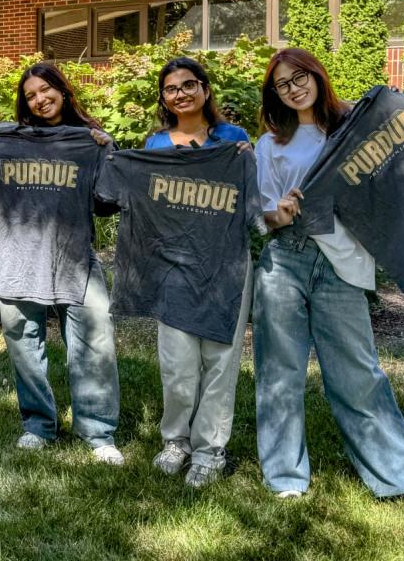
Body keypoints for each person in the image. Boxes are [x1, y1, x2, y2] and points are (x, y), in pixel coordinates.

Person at [251, 47, 404, 512]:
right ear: (274, 93)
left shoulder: (354, 130)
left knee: (359, 374)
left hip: (343, 264)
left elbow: (394, 172)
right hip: (287, 259)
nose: (293, 87)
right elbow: (261, 215)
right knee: (279, 371)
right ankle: (285, 476)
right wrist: (276, 214)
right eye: (282, 83)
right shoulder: (271, 144)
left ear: (317, 76)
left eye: (300, 76)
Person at [0, 62, 123, 463]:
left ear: (62, 89)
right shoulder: (4, 140)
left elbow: (107, 203)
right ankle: (38, 425)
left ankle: (98, 433)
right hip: (16, 256)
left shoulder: (88, 140)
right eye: (30, 95)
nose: (40, 99)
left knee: (94, 340)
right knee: (24, 343)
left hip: (73, 255)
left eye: (45, 90)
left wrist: (106, 152)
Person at [144, 56, 253, 488]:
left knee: (220, 361)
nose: (181, 94)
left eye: (189, 85)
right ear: (164, 99)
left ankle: (210, 450)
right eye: (171, 89)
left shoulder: (235, 139)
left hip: (226, 263)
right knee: (177, 362)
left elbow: (251, 197)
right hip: (174, 266)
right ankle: (176, 441)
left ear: (205, 90)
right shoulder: (155, 145)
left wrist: (248, 160)